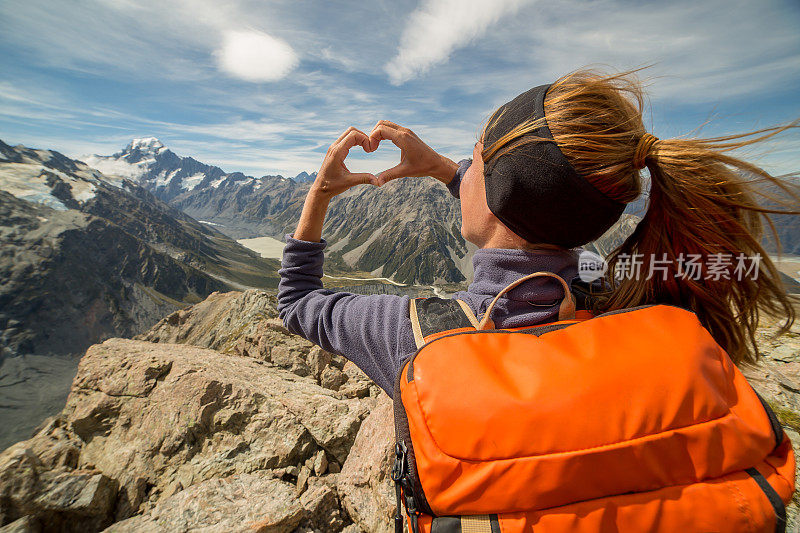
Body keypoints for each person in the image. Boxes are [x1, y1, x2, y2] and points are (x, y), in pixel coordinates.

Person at [277, 68, 798, 399]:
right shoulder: (637, 305)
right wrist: (443, 168)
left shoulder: (409, 337)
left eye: (474, 155)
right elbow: (527, 194)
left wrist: (320, 193)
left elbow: (297, 301)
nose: (465, 165)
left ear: (497, 189)